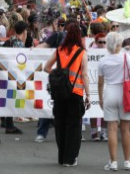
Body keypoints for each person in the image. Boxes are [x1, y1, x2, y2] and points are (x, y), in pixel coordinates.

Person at [44, 23, 91, 166]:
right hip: (75, 93)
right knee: (74, 127)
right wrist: (88, 95)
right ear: (80, 37)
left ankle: (61, 157)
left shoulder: (59, 50)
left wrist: (58, 75)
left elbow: (46, 67)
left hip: (60, 93)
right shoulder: (81, 52)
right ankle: (70, 159)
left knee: (60, 125)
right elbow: (84, 74)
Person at [97, 32, 130, 171]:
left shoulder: (103, 60)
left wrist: (101, 98)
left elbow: (100, 82)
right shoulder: (126, 57)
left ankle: (113, 162)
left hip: (110, 92)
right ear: (120, 44)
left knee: (111, 129)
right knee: (126, 129)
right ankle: (127, 161)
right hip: (125, 92)